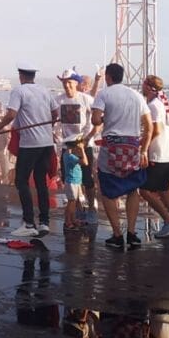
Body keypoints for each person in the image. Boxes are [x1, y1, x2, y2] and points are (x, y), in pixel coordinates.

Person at [90, 62, 151, 250]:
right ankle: (132, 233)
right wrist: (144, 150)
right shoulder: (137, 96)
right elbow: (149, 126)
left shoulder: (104, 94)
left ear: (108, 77)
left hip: (111, 147)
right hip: (132, 146)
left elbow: (95, 120)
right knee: (133, 188)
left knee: (107, 191)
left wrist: (104, 117)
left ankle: (117, 234)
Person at [0, 62, 57, 237]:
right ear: (33, 76)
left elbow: (11, 114)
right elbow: (55, 113)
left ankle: (29, 223)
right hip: (46, 143)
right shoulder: (45, 90)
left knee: (21, 181)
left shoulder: (19, 91)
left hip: (30, 144)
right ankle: (44, 222)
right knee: (41, 182)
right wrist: (47, 127)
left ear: (21, 76)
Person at [141, 76, 169, 239]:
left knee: (144, 190)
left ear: (148, 87)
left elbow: (156, 130)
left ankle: (168, 221)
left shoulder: (153, 105)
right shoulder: (163, 103)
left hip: (158, 154)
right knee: (164, 191)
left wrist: (144, 147)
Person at [55, 68, 95, 213]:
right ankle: (78, 207)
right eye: (64, 83)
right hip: (67, 145)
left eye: (70, 82)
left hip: (84, 144)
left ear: (76, 83)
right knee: (69, 178)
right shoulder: (58, 100)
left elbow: (98, 120)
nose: (67, 86)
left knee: (87, 178)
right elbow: (52, 119)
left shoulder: (86, 99)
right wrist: (55, 134)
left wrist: (88, 137)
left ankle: (91, 208)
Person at [61, 142, 85, 230]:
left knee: (73, 203)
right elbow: (85, 162)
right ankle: (68, 221)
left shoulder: (67, 155)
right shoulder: (70, 156)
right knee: (71, 203)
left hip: (75, 181)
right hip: (72, 182)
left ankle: (73, 219)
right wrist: (82, 150)